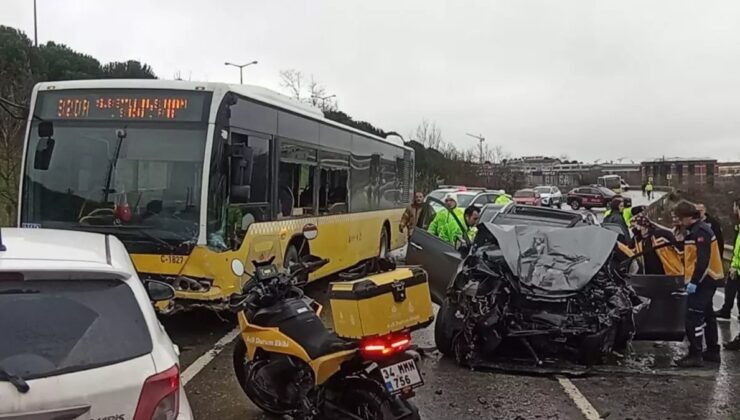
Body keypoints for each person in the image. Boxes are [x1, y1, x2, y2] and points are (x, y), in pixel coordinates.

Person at [673, 202, 725, 367]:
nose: (680, 222)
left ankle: (695, 354)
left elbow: (702, 260)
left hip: (704, 280)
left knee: (693, 317)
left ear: (689, 217)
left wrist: (694, 282)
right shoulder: (695, 230)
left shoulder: (700, 232)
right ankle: (712, 351)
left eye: (681, 218)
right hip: (707, 279)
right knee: (708, 316)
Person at [716, 198, 740, 322]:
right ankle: (725, 310)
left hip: (737, 269)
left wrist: (735, 267)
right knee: (730, 290)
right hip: (735, 267)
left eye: (735, 206)